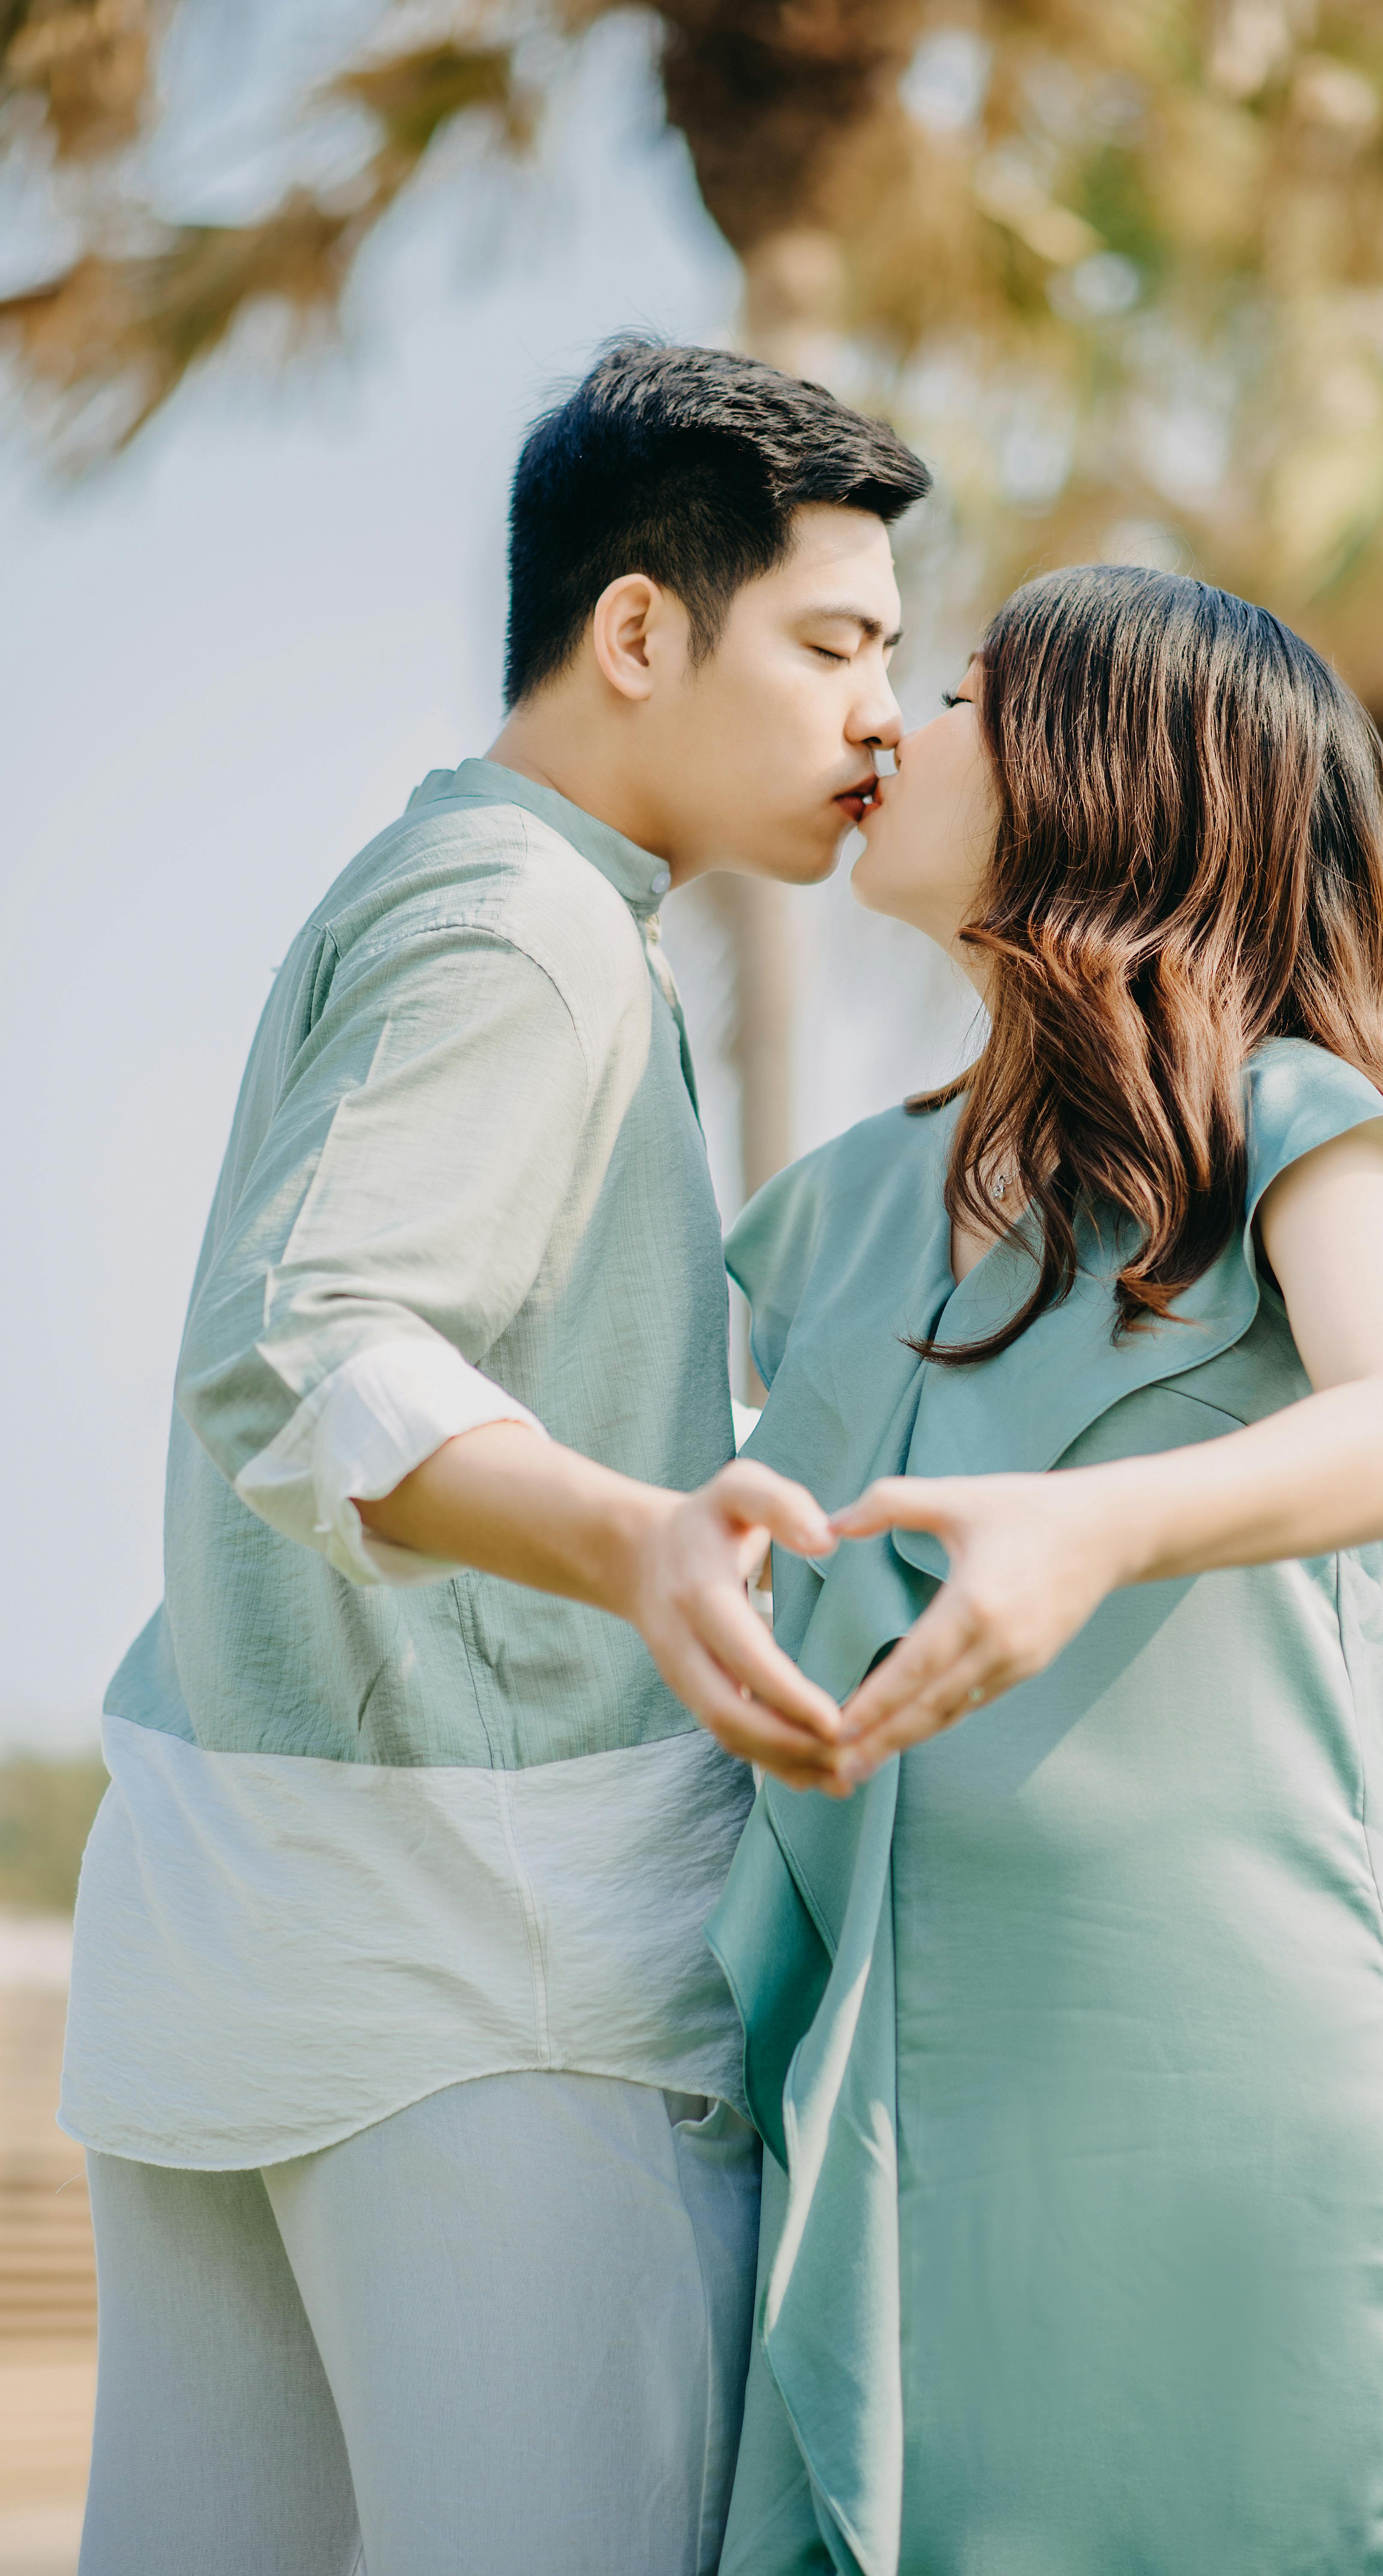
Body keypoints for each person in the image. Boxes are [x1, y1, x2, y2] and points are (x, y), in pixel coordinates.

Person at [64, 339, 929, 2576]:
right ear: (640, 630)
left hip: (235, 1952)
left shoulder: (469, 887)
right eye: (835, 645)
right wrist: (642, 1534)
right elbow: (306, 1351)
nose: (885, 725)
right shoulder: (524, 928)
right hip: (482, 1982)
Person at [708, 565, 1383, 2576]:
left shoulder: (1284, 1122)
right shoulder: (822, 1216)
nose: (904, 718)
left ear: (1111, 783)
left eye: (978, 693)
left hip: (1200, 2077)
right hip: (872, 2070)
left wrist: (1087, 1524)